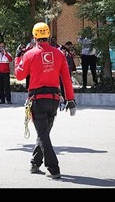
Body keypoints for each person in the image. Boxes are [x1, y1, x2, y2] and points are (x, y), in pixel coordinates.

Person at [14, 22, 76, 179]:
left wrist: (17, 58)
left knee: (42, 134)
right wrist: (70, 99)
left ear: (35, 37)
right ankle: (35, 162)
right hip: (54, 100)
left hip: (37, 100)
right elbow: (67, 79)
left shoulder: (29, 54)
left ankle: (54, 168)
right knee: (44, 133)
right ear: (48, 35)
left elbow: (19, 75)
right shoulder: (59, 54)